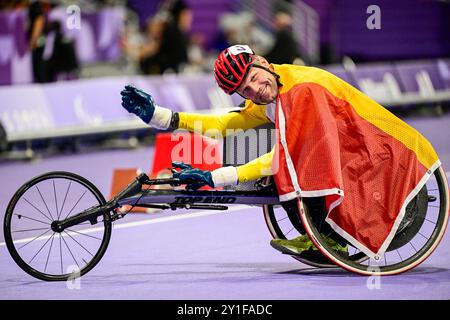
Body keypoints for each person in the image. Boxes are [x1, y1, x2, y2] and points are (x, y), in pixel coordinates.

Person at [120, 44, 440, 260]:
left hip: (378, 156)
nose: (255, 91)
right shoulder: (276, 82)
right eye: (245, 90)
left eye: (255, 81)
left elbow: (281, 158)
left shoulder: (300, 91)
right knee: (257, 158)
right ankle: (322, 233)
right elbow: (232, 123)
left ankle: (330, 239)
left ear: (261, 63)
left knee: (280, 178)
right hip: (348, 149)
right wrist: (163, 118)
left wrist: (216, 177)